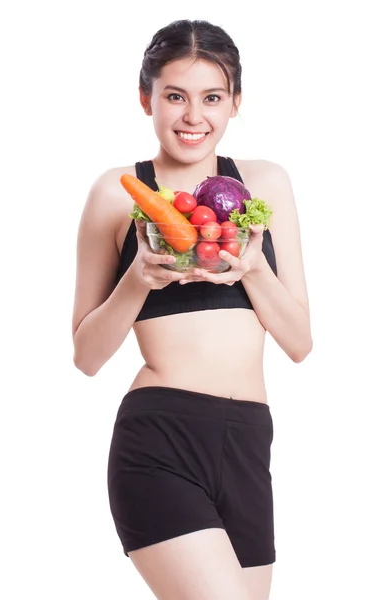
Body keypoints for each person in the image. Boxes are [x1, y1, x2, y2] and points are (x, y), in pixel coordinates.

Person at [72, 18, 312, 600]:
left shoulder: (263, 185)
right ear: (145, 98)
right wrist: (137, 280)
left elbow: (300, 343)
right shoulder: (118, 192)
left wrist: (253, 267)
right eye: (174, 96)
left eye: (211, 98)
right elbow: (85, 354)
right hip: (161, 438)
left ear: (234, 104)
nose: (192, 116)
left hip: (250, 440)